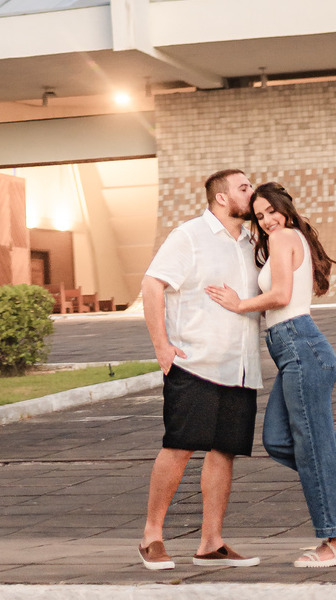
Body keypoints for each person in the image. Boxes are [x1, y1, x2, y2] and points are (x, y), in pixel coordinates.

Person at [206, 180, 336, 570]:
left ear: (285, 207)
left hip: (301, 347)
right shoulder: (286, 239)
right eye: (259, 215)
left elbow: (281, 296)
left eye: (271, 211)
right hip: (292, 351)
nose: (266, 220)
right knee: (279, 440)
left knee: (313, 449)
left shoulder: (284, 238)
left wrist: (239, 304)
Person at [137, 168, 263, 571]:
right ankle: (151, 536)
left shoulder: (251, 241)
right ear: (222, 198)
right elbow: (152, 283)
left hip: (240, 367)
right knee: (179, 447)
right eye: (244, 187)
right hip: (195, 362)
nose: (252, 192)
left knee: (225, 451)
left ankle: (211, 542)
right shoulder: (188, 235)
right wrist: (162, 347)